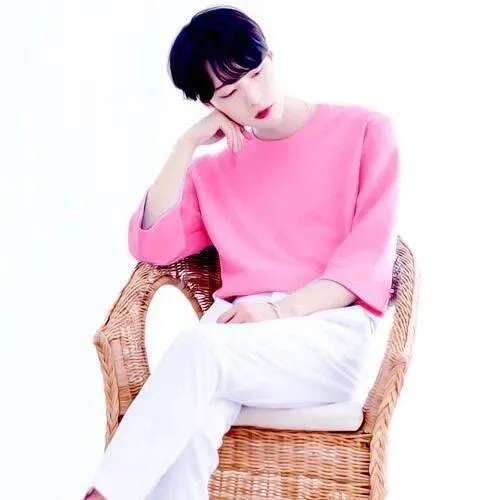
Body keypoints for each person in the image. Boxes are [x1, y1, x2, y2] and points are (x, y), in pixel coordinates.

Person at [84, 5, 400, 499]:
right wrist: (186, 146)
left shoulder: (364, 131)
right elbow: (152, 245)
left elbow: (368, 261)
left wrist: (278, 310)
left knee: (197, 349)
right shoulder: (212, 171)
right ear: (209, 103)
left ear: (271, 56)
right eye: (229, 92)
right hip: (235, 338)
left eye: (256, 73)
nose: (253, 97)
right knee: (189, 428)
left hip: (326, 334)